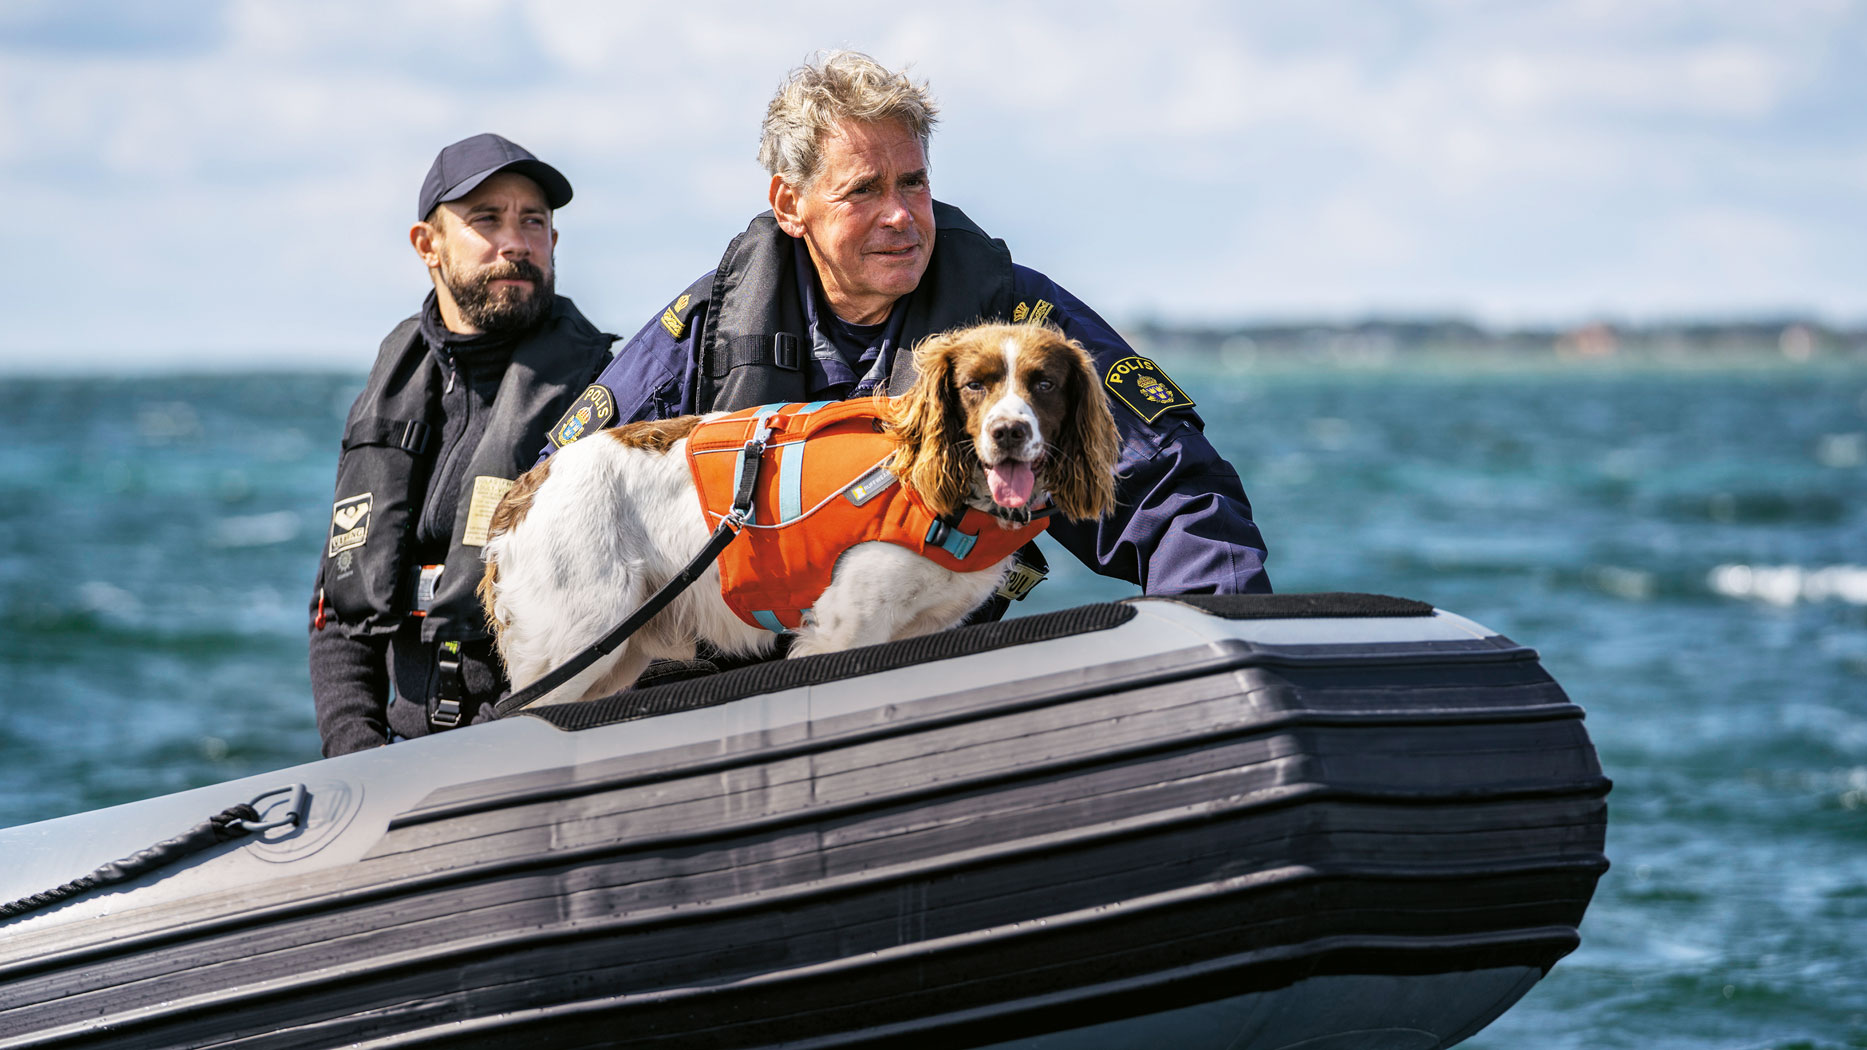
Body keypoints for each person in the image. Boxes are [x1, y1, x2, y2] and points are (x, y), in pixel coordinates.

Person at [544, 51, 1268, 611]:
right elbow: (564, 496)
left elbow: (1175, 500)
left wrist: (1220, 648)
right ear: (791, 205)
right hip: (726, 677)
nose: (900, 215)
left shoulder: (1014, 325)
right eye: (863, 190)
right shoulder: (707, 335)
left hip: (922, 676)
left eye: (912, 183)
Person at [310, 133, 615, 756]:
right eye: (486, 220)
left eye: (533, 222)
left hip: (547, 747)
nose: (515, 243)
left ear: (553, 242)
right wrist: (359, 757)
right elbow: (339, 614)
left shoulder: (605, 393)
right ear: (428, 245)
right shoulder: (389, 396)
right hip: (404, 756)